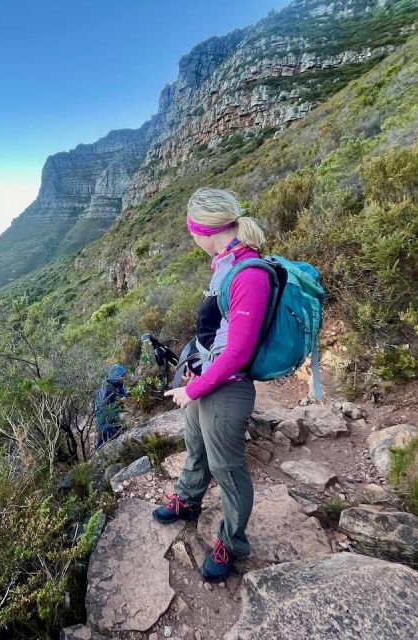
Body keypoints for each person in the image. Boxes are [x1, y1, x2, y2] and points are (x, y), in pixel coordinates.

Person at [155, 188, 270, 583]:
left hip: (228, 386)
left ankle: (232, 543)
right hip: (207, 378)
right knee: (196, 447)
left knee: (228, 468)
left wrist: (194, 389)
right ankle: (187, 502)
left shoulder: (249, 273)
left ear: (203, 230)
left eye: (191, 232)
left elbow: (237, 353)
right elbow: (216, 334)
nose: (191, 239)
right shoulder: (226, 264)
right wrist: (195, 373)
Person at [94, 364, 127, 448]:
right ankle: (99, 454)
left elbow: (122, 392)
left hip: (113, 414)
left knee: (115, 434)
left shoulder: (117, 384)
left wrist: (123, 396)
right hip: (105, 417)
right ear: (116, 376)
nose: (124, 378)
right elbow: (103, 407)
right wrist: (117, 413)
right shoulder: (106, 389)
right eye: (122, 376)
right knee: (104, 435)